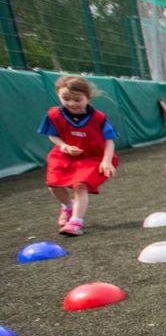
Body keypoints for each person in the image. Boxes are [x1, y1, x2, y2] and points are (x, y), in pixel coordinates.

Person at [40, 75, 118, 236]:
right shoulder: (54, 115)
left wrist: (107, 161)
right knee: (53, 185)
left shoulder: (99, 118)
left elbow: (109, 141)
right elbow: (52, 135)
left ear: (88, 98)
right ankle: (68, 206)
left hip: (91, 157)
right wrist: (64, 146)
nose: (72, 103)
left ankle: (76, 222)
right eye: (66, 98)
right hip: (64, 155)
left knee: (80, 185)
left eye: (77, 99)